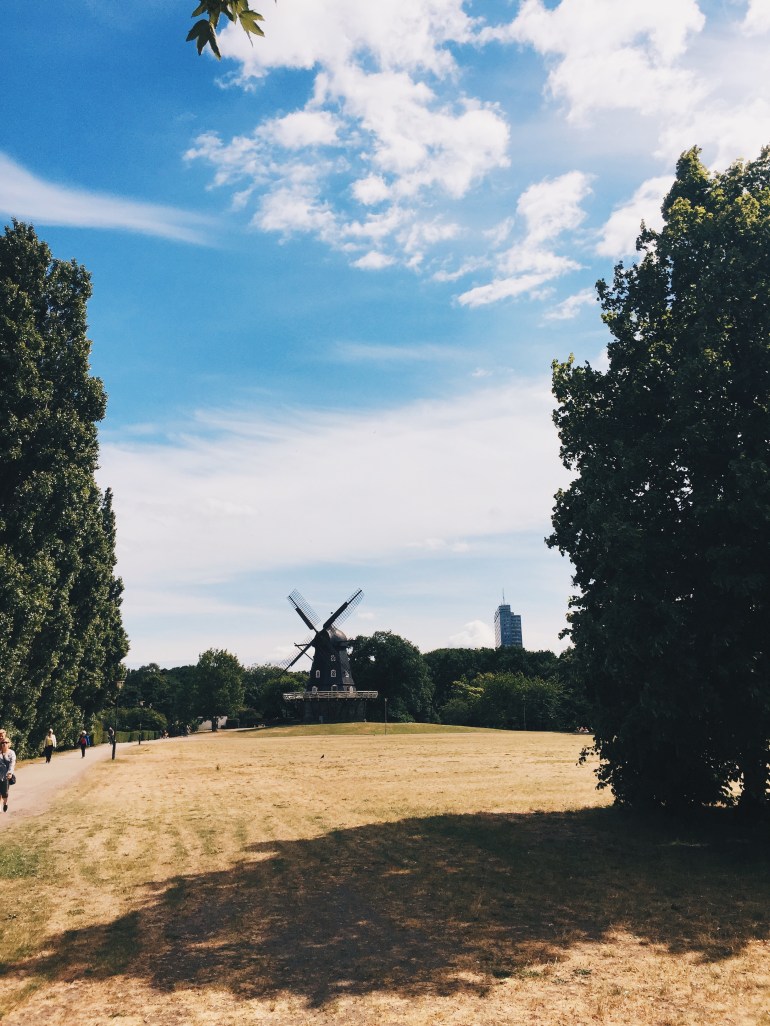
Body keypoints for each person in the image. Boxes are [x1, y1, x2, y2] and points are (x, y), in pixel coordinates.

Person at [0, 738, 17, 813]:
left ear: (8, 744)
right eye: (2, 743)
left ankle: (5, 803)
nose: (4, 744)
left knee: (5, 792)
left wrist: (10, 773)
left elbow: (12, 763)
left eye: (6, 742)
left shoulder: (11, 753)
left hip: (6, 775)